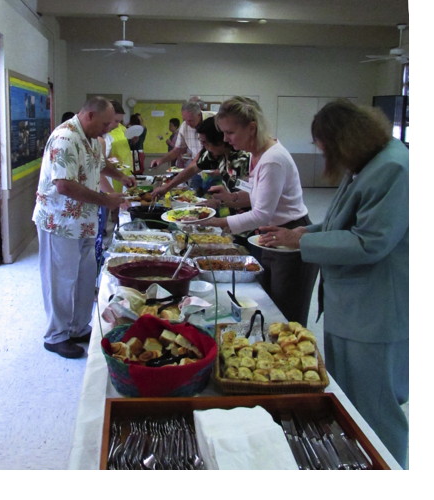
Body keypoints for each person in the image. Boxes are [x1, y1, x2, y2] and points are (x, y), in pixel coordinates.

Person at [257, 99, 409, 468]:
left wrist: (301, 242)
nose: (324, 156)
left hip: (375, 309)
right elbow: (341, 220)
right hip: (351, 304)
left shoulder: (391, 167)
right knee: (346, 396)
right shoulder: (366, 161)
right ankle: (355, 465)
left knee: (375, 404)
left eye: (325, 148)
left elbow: (369, 241)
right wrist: (303, 230)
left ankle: (387, 468)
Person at [197, 96, 319, 327]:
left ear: (252, 128)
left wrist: (215, 223)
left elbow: (261, 213)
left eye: (230, 133)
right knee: (269, 305)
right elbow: (259, 197)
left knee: (286, 317)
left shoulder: (272, 159)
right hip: (270, 234)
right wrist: (230, 199)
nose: (225, 139)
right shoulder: (257, 153)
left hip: (290, 234)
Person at [32, 96, 136, 359]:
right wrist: (106, 200)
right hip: (60, 223)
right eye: (105, 123)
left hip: (84, 222)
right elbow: (64, 185)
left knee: (85, 277)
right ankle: (55, 335)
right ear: (89, 115)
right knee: (61, 279)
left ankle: (78, 327)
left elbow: (99, 165)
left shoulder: (90, 138)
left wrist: (120, 175)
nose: (108, 128)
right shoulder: (65, 138)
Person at [150, 116, 250, 217]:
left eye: (205, 142)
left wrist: (220, 203)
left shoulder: (242, 159)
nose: (203, 147)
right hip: (235, 215)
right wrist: (166, 188)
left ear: (220, 141)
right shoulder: (215, 153)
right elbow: (193, 167)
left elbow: (253, 198)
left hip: (250, 218)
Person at [149, 98, 214, 172]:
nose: (188, 123)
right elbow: (178, 150)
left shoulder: (215, 119)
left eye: (190, 120)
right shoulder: (184, 126)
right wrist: (161, 160)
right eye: (185, 120)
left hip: (216, 168)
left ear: (199, 114)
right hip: (197, 168)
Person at [104, 100, 134, 193]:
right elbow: (100, 163)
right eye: (116, 121)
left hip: (123, 171)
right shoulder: (101, 136)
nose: (118, 125)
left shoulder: (121, 128)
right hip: (108, 180)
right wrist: (115, 161)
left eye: (120, 121)